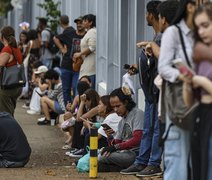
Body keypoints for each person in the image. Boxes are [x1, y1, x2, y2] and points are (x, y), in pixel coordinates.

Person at [121, 1, 162, 177]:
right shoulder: (156, 38)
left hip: (157, 92)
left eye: (146, 13)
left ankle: (152, 163)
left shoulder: (161, 38)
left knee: (155, 130)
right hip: (150, 93)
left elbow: (163, 63)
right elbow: (153, 64)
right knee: (149, 130)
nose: (145, 16)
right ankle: (142, 161)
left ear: (152, 15)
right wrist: (138, 67)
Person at [157, 1, 196, 180]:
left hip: (205, 106)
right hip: (181, 106)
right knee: (177, 162)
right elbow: (163, 68)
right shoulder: (174, 32)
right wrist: (186, 76)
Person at [183, 3, 212, 180]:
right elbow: (189, 101)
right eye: (198, 27)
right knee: (197, 166)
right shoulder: (199, 58)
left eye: (206, 26)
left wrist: (200, 81)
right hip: (200, 114)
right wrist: (187, 84)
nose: (201, 32)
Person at [98, 86, 144, 172]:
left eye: (118, 106)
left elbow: (137, 139)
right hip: (124, 153)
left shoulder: (137, 113)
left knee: (101, 157)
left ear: (126, 102)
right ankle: (119, 167)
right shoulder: (121, 121)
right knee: (100, 155)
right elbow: (117, 143)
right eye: (113, 107)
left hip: (136, 154)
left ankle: (119, 167)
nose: (115, 110)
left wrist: (115, 147)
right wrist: (110, 137)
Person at [53, 15, 86, 104]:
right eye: (77, 23)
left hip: (79, 67)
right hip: (66, 66)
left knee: (76, 88)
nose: (79, 25)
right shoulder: (70, 33)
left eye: (81, 23)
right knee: (66, 89)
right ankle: (68, 111)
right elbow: (55, 38)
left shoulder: (87, 35)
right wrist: (62, 49)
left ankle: (75, 110)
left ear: (85, 24)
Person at [0, 26, 23, 116]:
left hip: (7, 86)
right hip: (16, 85)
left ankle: (8, 130)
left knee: (5, 114)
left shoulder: (7, 49)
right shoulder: (15, 48)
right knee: (10, 112)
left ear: (3, 36)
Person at [73, 14, 96, 89]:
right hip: (87, 66)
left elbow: (92, 47)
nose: (82, 22)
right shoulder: (89, 32)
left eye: (85, 20)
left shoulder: (92, 32)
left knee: (84, 92)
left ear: (90, 22)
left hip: (89, 68)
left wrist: (80, 54)